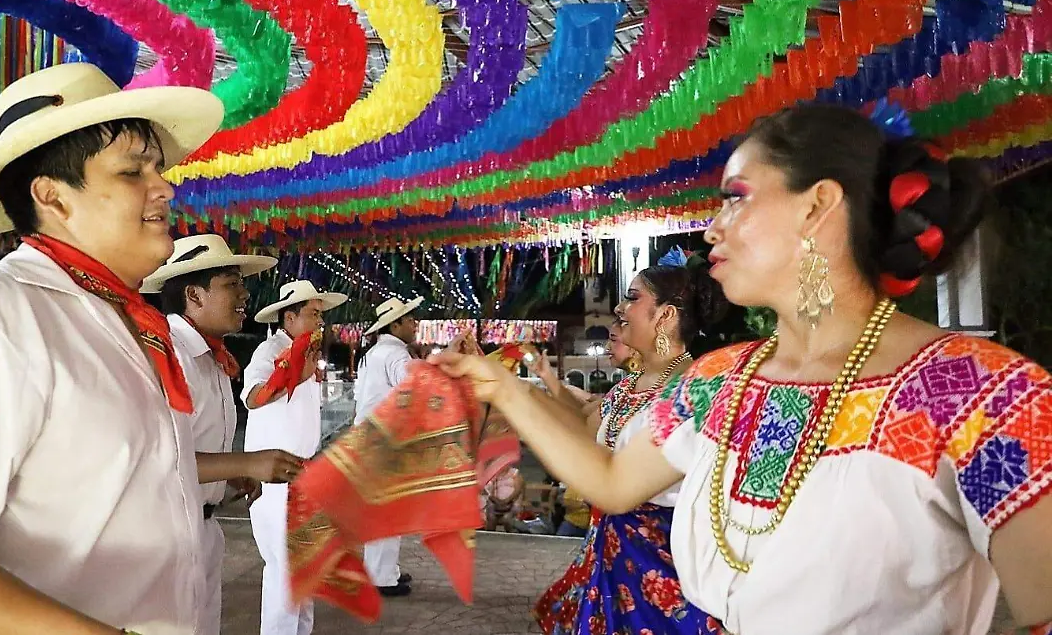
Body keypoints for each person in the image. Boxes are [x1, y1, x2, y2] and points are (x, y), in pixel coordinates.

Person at [433, 104, 1052, 634]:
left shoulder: (987, 396)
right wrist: (504, 389)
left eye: (735, 198)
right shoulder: (719, 379)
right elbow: (613, 480)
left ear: (817, 207)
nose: (711, 230)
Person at [0, 62, 289, 634]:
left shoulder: (126, 326)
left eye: (158, 169)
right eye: (133, 170)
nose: (165, 188)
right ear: (53, 198)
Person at [533, 264, 727, 635]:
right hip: (607, 552)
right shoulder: (626, 389)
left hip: (661, 562)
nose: (620, 309)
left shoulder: (694, 388)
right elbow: (583, 437)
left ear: (665, 315)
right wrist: (520, 392)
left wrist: (510, 394)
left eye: (633, 298)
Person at [141, 234, 302, 635]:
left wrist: (229, 472)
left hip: (201, 529)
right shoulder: (170, 355)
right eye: (232, 284)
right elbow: (156, 458)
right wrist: (246, 462)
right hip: (166, 534)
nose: (245, 295)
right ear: (194, 295)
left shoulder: (209, 357)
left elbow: (193, 442)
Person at [244, 280, 348, 635]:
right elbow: (253, 397)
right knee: (284, 570)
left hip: (301, 474)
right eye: (313, 313)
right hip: (276, 476)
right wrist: (291, 373)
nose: (320, 321)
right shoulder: (270, 350)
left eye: (321, 314)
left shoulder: (306, 354)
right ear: (289, 318)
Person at [353, 296, 425, 597]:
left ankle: (383, 571)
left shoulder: (373, 353)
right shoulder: (396, 355)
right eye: (409, 320)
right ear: (395, 325)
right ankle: (381, 577)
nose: (414, 324)